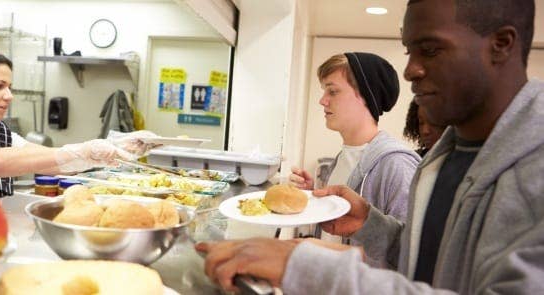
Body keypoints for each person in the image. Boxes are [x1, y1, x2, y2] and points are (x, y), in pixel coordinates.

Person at [198, 0, 544, 293]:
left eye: (431, 49)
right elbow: (427, 264)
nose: (409, 70)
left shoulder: (535, 169)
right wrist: (370, 223)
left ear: (501, 44)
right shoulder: (446, 156)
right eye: (410, 51)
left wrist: (307, 267)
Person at [0, 46, 155, 215]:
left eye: (9, 86)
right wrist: (84, 150)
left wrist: (112, 147)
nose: (9, 95)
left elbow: (52, 161)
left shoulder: (0, 135)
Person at [289, 52, 420, 266]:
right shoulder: (342, 158)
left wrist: (312, 251)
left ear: (366, 96)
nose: (322, 100)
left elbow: (409, 255)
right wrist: (313, 194)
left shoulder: (396, 164)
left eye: (332, 91)